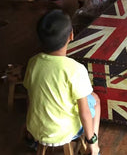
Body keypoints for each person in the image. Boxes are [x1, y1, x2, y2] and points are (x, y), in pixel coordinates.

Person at [23, 9, 101, 155]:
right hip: (65, 132)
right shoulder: (76, 69)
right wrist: (91, 141)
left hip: (36, 129)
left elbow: (30, 97)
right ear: (71, 35)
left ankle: (31, 139)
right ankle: (93, 147)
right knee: (95, 100)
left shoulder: (32, 62)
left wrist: (28, 128)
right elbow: (84, 113)